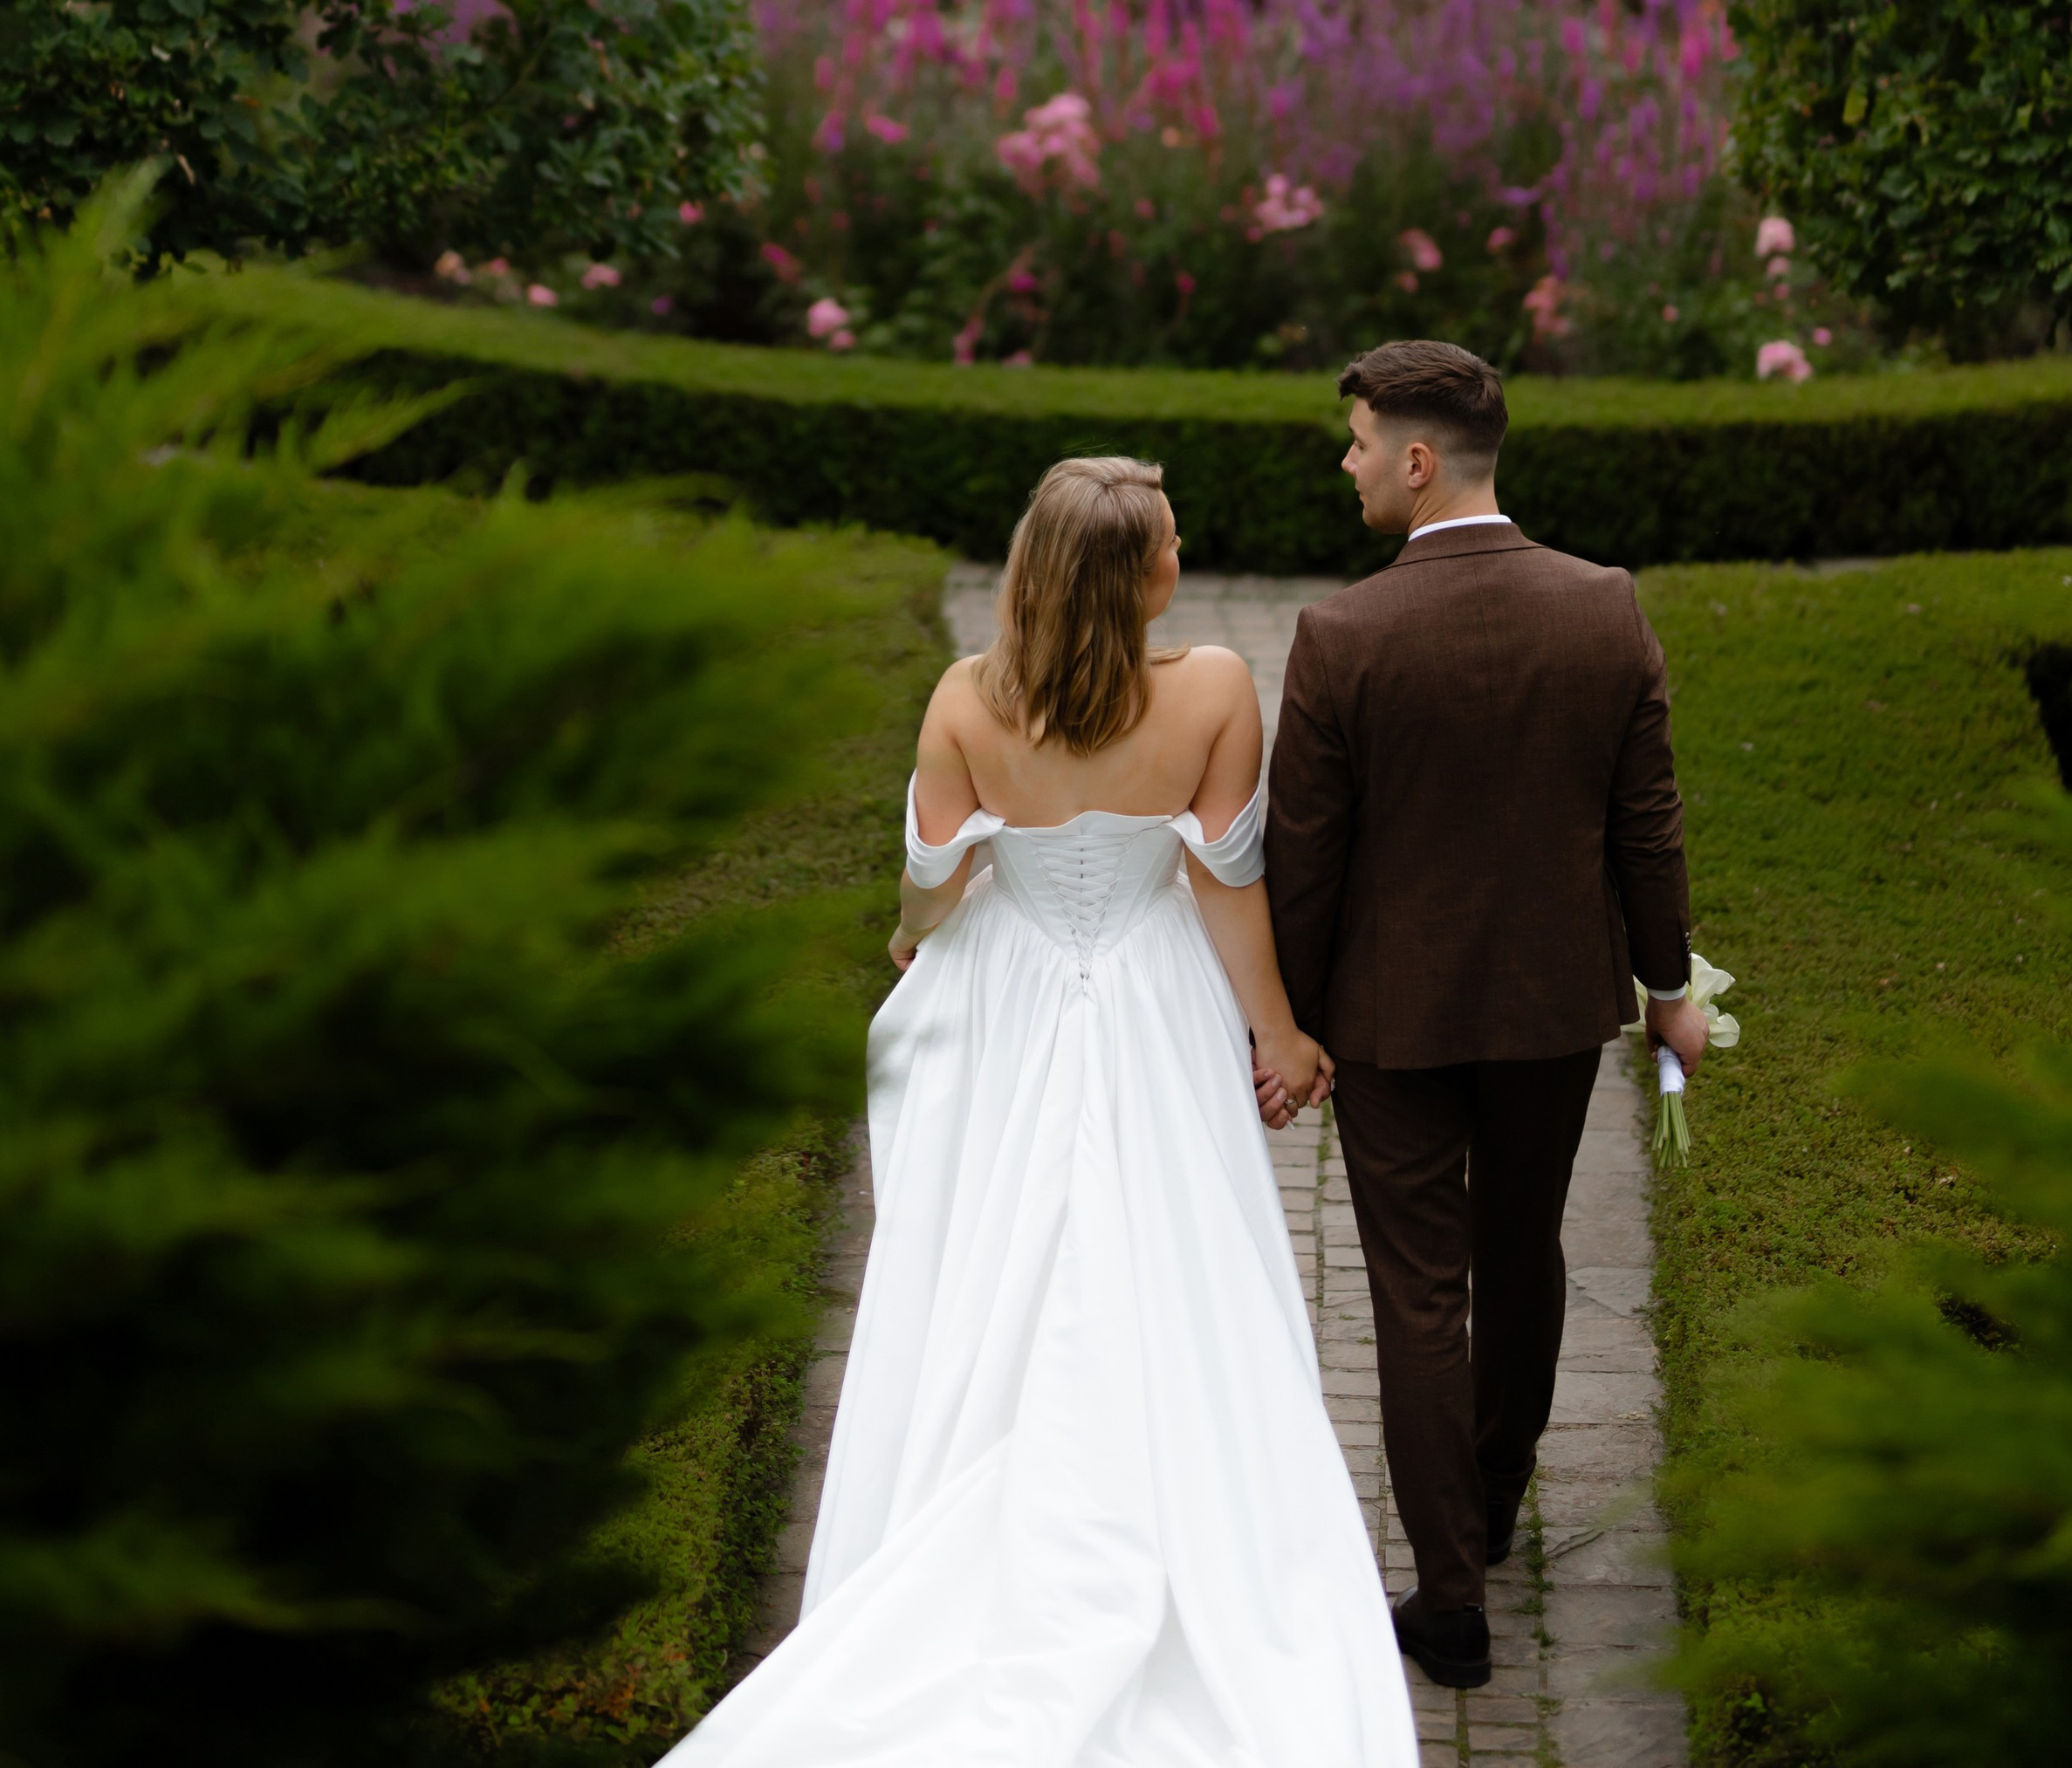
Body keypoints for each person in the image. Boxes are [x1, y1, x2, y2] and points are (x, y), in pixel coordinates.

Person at [669, 453, 1419, 1768]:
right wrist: (1281, 1033)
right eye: (1173, 540)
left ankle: (988, 1471)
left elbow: (930, 887)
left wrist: (918, 941)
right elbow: (1228, 888)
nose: (1184, 555)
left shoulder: (966, 700)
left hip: (1006, 991)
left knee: (988, 1245)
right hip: (1152, 988)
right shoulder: (1216, 693)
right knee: (1171, 1252)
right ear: (1141, 576)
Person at [1262, 340, 1700, 1696]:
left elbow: (1308, 855)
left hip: (1390, 1021)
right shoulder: (1605, 606)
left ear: (1417, 459)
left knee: (1415, 1292)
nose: (1343, 464)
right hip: (1555, 1008)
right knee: (1524, 1259)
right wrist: (1668, 987)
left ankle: (1449, 1600)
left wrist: (1283, 1021)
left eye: (1354, 442)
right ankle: (1496, 1505)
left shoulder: (1342, 635)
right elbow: (1647, 826)